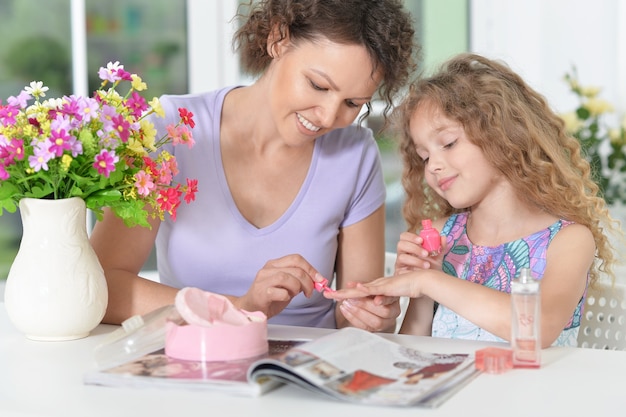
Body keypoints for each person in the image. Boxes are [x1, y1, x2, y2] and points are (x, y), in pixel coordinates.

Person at [90, 0, 417, 331]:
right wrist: (238, 309)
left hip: (309, 370)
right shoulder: (171, 132)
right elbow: (100, 286)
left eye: (352, 103)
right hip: (194, 365)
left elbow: (352, 318)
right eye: (318, 85)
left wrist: (372, 317)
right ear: (278, 39)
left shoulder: (355, 154)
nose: (329, 117)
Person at [325, 53, 619, 347]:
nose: (433, 166)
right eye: (424, 157)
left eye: (449, 144)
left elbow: (539, 327)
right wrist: (422, 293)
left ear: (503, 135)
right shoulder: (440, 237)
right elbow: (412, 350)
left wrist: (429, 282)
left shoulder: (568, 240)